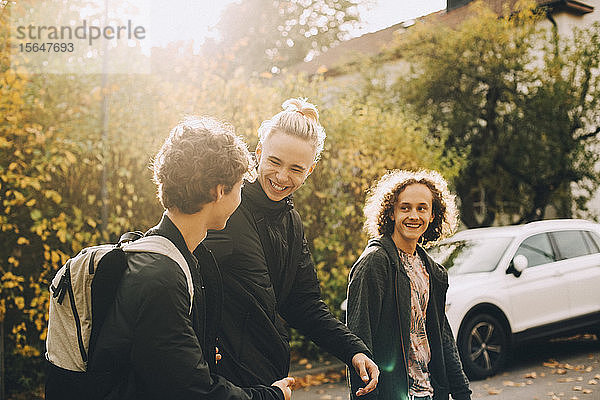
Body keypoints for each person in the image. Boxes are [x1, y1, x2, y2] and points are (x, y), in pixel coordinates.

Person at [88, 116, 295, 400]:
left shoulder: (172, 256)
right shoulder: (162, 277)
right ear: (219, 191)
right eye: (239, 186)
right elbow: (195, 391)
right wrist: (272, 396)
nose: (241, 195)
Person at [201, 98, 379, 397]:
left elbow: (304, 303)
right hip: (222, 383)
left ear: (310, 170)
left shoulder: (292, 222)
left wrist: (354, 351)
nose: (282, 177)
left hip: (270, 380)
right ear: (258, 153)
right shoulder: (225, 207)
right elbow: (187, 283)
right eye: (274, 162)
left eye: (296, 168)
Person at [346, 170, 472, 400]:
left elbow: (443, 337)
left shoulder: (432, 271)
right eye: (405, 207)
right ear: (391, 213)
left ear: (433, 215)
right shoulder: (375, 263)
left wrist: (463, 392)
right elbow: (358, 341)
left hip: (431, 393)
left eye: (422, 208)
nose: (413, 215)